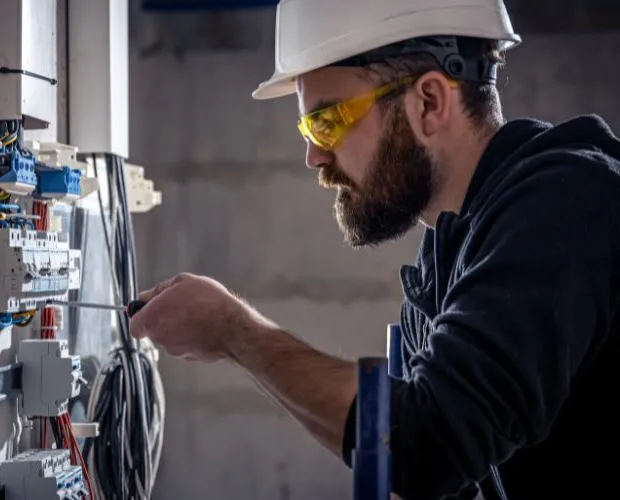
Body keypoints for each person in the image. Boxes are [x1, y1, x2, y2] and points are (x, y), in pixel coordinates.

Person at [129, 0, 620, 498]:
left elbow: (427, 444)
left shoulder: (569, 202)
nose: (314, 156)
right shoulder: (452, 252)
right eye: (309, 129)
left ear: (429, 102)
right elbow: (425, 470)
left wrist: (235, 331)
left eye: (328, 121)